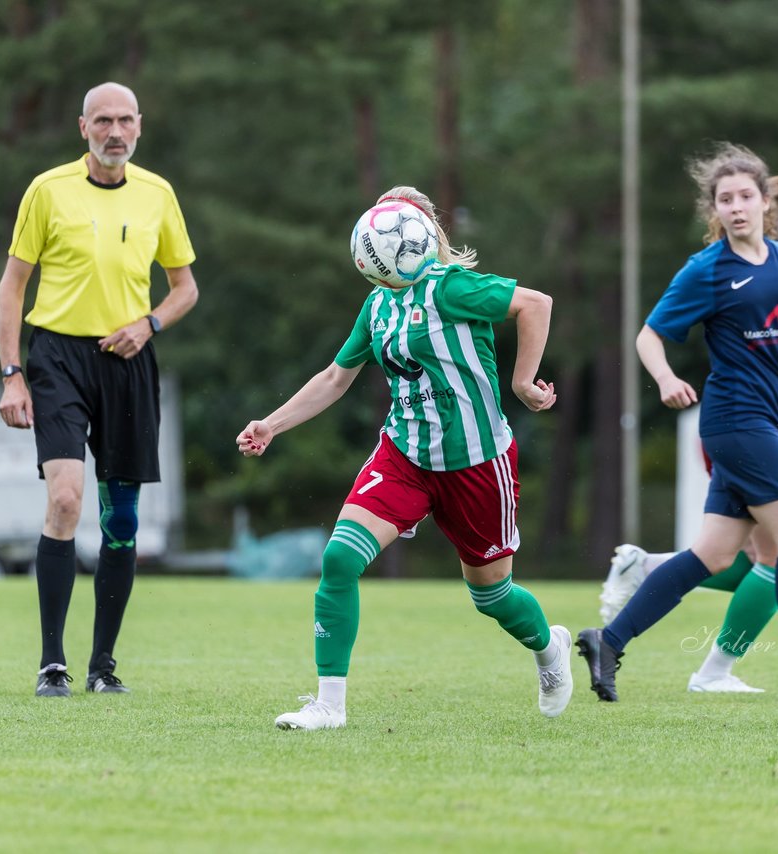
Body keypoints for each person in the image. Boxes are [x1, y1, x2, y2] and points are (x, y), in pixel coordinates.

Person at [237, 186, 571, 731]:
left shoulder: (452, 286)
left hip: (478, 462)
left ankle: (549, 651)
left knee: (493, 597)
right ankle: (329, 706)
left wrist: (523, 381)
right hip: (405, 456)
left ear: (418, 231)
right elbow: (334, 378)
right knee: (340, 560)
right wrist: (271, 424)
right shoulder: (378, 305)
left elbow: (535, 304)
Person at [576, 143, 778, 703]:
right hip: (735, 419)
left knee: (716, 555)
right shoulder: (707, 270)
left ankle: (609, 639)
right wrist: (667, 378)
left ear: (765, 202)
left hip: (764, 418)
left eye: (745, 196)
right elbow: (649, 336)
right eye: (725, 199)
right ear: (714, 210)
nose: (736, 207)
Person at [0, 82, 199, 697]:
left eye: (126, 120)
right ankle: (51, 663)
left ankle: (102, 667)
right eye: (103, 120)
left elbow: (185, 287)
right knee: (64, 501)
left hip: (128, 359)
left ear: (141, 125)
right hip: (57, 356)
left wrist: (150, 323)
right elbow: (12, 287)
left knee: (123, 521)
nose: (116, 131)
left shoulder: (158, 194)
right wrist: (12, 373)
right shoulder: (48, 190)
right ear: (82, 126)